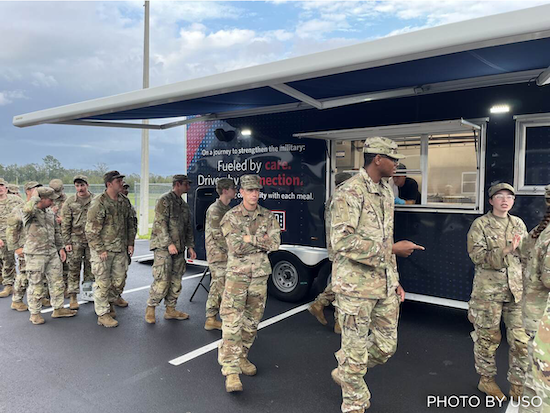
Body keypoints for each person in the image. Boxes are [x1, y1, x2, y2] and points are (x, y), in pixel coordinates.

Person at [330, 137, 425, 413]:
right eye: (392, 158)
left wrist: (394, 279)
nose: (397, 163)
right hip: (354, 287)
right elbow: (342, 242)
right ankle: (354, 403)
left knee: (385, 347)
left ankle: (347, 369)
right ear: (377, 159)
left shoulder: (385, 190)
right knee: (356, 351)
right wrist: (392, 249)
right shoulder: (349, 192)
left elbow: (385, 235)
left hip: (383, 283)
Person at [218, 174, 281, 393]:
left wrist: (249, 239)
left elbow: (275, 244)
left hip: (259, 278)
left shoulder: (268, 216)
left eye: (257, 190)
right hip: (237, 277)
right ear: (241, 192)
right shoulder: (231, 217)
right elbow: (236, 248)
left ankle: (242, 356)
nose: (254, 194)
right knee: (232, 322)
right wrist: (259, 242)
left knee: (252, 323)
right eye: (250, 190)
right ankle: (231, 371)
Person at [467, 183, 529, 401]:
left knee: (521, 341)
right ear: (491, 200)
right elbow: (477, 257)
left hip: (516, 293)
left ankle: (518, 384)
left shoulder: (518, 224)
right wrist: (506, 250)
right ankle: (487, 381)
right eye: (500, 196)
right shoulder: (480, 225)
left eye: (510, 197)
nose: (505, 200)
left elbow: (526, 256)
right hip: (488, 294)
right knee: (487, 339)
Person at [86, 171, 136, 328]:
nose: (121, 183)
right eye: (118, 181)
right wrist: (100, 249)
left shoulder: (123, 201)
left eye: (121, 180)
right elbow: (91, 230)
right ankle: (103, 314)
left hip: (120, 249)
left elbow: (130, 222)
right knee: (102, 282)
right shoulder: (99, 203)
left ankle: (110, 302)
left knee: (119, 281)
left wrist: (130, 242)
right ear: (109, 184)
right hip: (103, 251)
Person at [145, 175, 196, 324]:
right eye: (186, 184)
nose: (188, 186)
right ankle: (151, 308)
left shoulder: (183, 205)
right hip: (163, 248)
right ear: (178, 184)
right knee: (162, 279)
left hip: (178, 248)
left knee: (176, 280)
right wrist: (169, 244)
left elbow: (188, 227)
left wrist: (190, 246)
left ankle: (170, 310)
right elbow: (161, 224)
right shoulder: (164, 200)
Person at [23, 187, 77, 324]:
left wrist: (61, 248)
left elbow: (56, 232)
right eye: (50, 199)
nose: (53, 201)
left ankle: (58, 308)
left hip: (52, 252)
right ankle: (35, 313)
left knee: (57, 281)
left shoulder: (49, 212)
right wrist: (34, 196)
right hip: (35, 254)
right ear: (42, 198)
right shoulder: (30, 211)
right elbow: (28, 209)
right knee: (36, 284)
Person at [308, 172, 352, 334]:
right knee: (342, 285)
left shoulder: (332, 198)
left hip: (335, 247)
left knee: (340, 281)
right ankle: (338, 322)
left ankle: (319, 304)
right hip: (343, 248)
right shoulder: (344, 199)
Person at [520, 184, 550, 412]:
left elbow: (522, 250)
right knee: (541, 385)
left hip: (535, 315)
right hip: (543, 322)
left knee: (535, 379)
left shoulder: (541, 229)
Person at [204, 178, 236, 331]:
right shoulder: (215, 209)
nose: (235, 190)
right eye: (232, 188)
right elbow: (218, 236)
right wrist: (235, 249)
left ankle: (212, 318)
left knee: (219, 286)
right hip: (217, 255)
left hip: (225, 255)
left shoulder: (227, 208)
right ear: (225, 190)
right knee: (220, 286)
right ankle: (216, 319)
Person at [60, 175, 94, 310]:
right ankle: (73, 295)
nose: (80, 188)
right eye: (77, 186)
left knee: (90, 268)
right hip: (75, 240)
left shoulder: (96, 200)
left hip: (91, 240)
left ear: (87, 185)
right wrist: (66, 241)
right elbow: (65, 224)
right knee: (73, 268)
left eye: (82, 185)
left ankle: (88, 293)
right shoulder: (70, 202)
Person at [7, 181, 42, 311]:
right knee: (24, 274)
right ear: (28, 191)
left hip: (38, 247)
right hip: (25, 246)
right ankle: (17, 300)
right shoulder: (20, 209)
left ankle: (40, 297)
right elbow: (11, 229)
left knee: (39, 274)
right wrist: (16, 247)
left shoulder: (39, 208)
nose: (38, 192)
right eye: (36, 189)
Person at [114, 181, 137, 307]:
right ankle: (108, 301)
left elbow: (132, 224)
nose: (126, 191)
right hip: (112, 246)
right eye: (123, 188)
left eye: (127, 189)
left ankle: (118, 295)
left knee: (122, 272)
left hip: (124, 244)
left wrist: (131, 242)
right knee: (111, 274)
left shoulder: (127, 204)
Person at [0, 178, 24, 298]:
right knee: (7, 261)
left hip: (17, 236)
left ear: (6, 187)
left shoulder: (16, 200)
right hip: (3, 237)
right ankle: (8, 284)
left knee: (24, 260)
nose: (0, 188)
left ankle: (23, 283)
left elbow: (25, 212)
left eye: (2, 185)